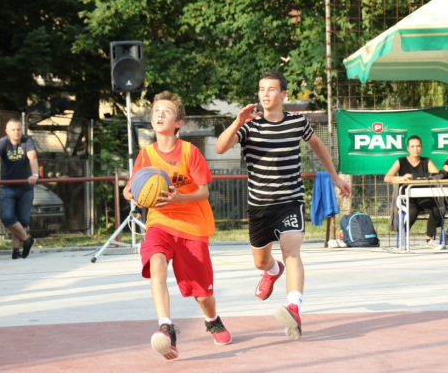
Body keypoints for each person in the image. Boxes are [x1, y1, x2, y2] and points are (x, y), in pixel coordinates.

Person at [215, 70, 351, 341]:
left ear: (283, 94)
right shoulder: (249, 125)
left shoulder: (297, 123)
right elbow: (220, 148)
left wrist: (335, 176)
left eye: (271, 89)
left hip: (290, 200)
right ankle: (272, 271)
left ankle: (294, 308)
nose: (265, 94)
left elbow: (317, 144)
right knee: (260, 261)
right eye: (261, 89)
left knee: (291, 249)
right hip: (259, 206)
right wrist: (237, 121)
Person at [123, 91, 231, 361]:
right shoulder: (145, 155)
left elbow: (204, 192)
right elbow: (129, 188)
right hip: (159, 222)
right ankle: (166, 327)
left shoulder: (189, 152)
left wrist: (180, 197)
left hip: (192, 226)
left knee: (202, 293)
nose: (160, 114)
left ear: (178, 122)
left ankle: (212, 318)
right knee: (156, 263)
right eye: (156, 111)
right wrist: (133, 194)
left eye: (166, 111)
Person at [384, 135, 443, 249]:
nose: (415, 149)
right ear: (408, 148)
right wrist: (401, 178)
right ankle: (403, 236)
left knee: (436, 209)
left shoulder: (426, 161)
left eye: (418, 146)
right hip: (406, 198)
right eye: (413, 146)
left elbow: (438, 176)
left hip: (423, 197)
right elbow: (387, 178)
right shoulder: (401, 161)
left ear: (421, 147)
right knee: (413, 210)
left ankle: (429, 239)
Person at [0, 118, 38, 259]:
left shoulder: (27, 141)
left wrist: (34, 174)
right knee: (7, 217)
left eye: (19, 129)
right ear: (7, 131)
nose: (16, 132)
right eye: (13, 130)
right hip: (7, 187)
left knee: (21, 221)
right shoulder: (2, 143)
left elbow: (32, 157)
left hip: (25, 187)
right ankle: (28, 240)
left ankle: (16, 250)